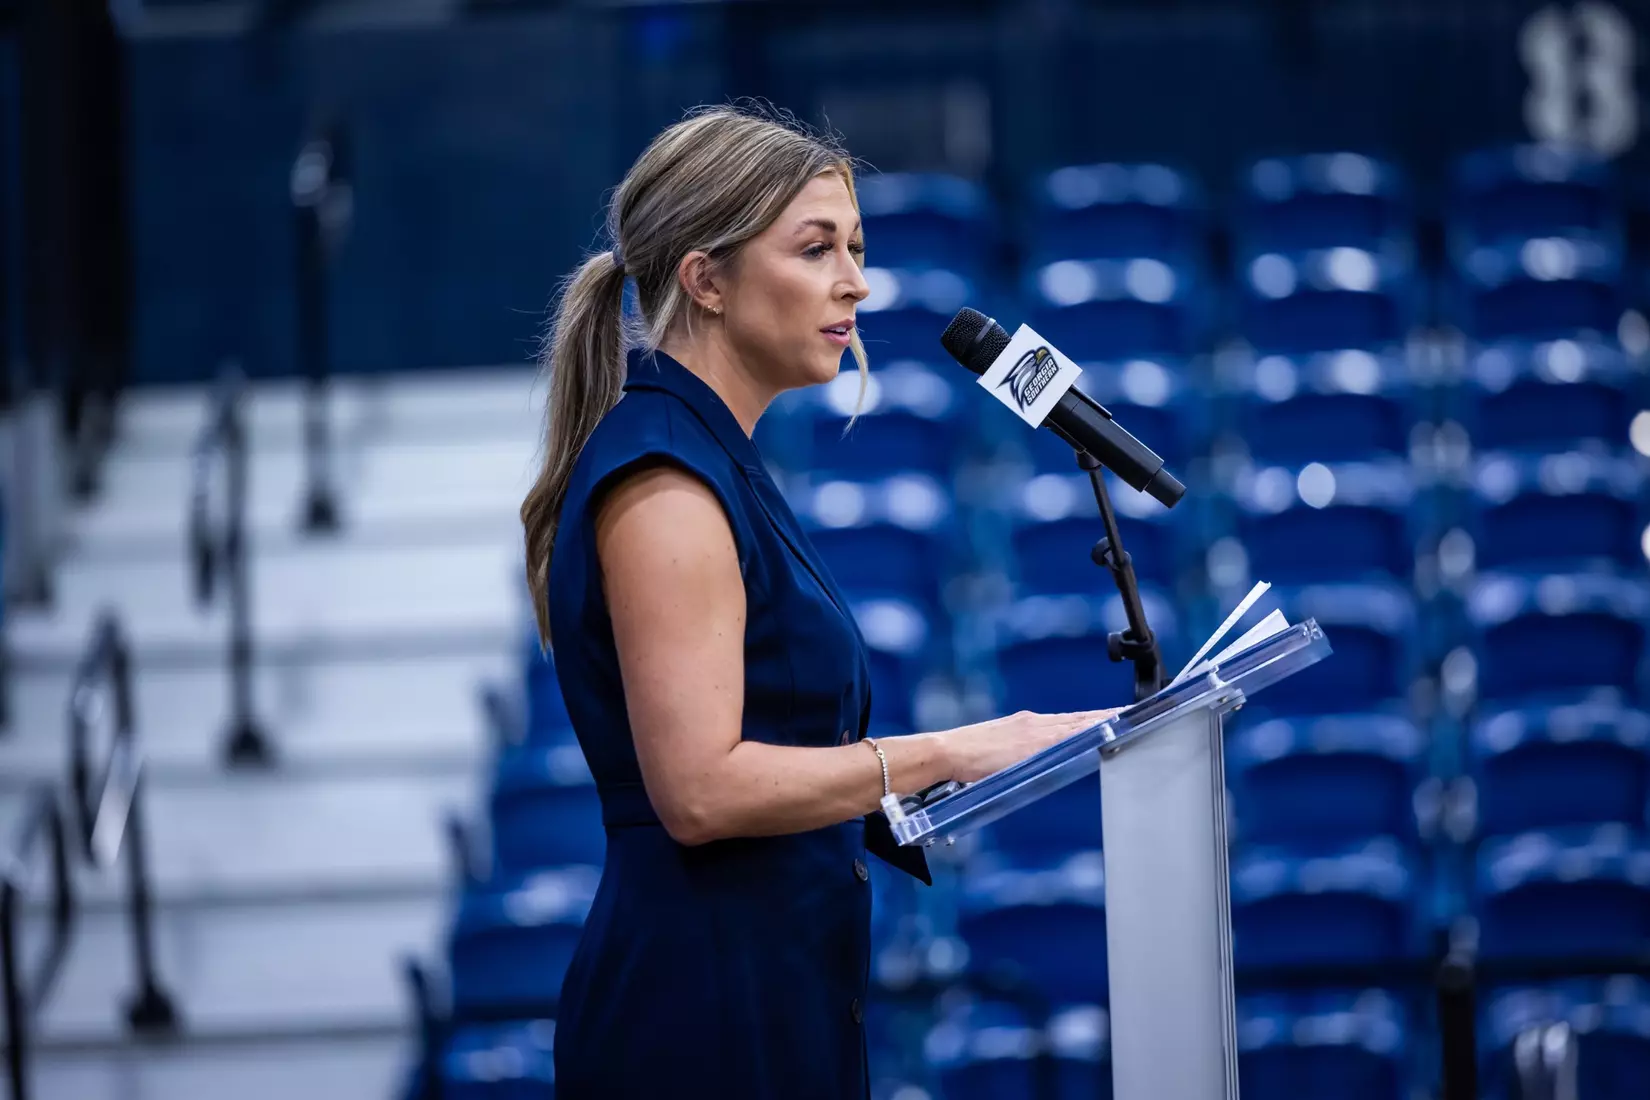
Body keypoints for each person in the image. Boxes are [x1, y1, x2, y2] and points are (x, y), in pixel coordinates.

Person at [519, 104, 1118, 1099]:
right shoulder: (664, 481)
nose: (856, 280)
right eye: (817, 247)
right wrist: (960, 748)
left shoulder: (712, 457)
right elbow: (701, 790)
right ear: (705, 280)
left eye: (857, 246)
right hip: (701, 1015)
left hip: (771, 988)